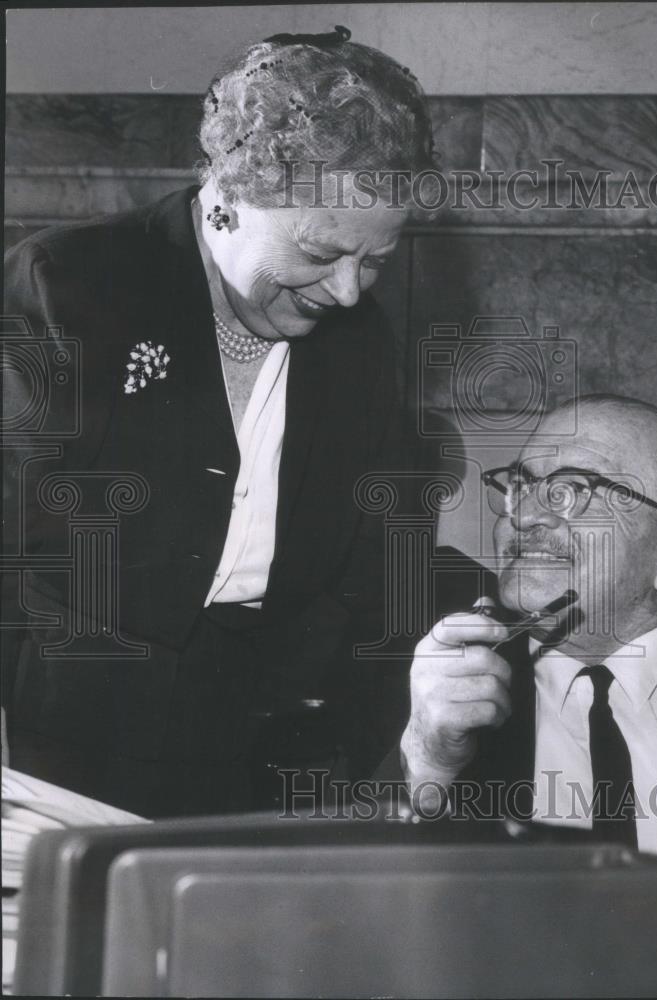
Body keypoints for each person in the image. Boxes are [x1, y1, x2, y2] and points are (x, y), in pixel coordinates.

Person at [2, 26, 434, 818]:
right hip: (53, 750)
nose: (346, 292)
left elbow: (378, 570)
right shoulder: (69, 287)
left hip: (257, 757)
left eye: (375, 261)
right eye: (319, 253)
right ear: (228, 199)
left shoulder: (360, 341)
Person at [398, 394, 657, 997]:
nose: (523, 515)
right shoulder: (437, 675)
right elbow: (347, 918)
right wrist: (428, 761)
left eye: (571, 489)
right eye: (520, 485)